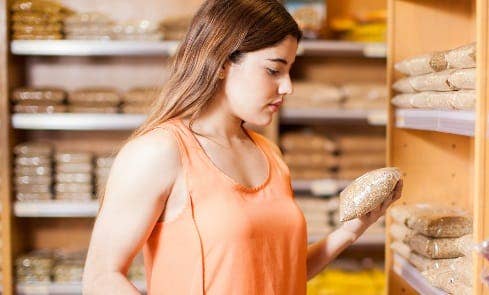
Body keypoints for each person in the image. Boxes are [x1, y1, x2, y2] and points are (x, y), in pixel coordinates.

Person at [82, 0, 402, 294]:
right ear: (222, 62)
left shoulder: (270, 154)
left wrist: (349, 232)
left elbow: (281, 274)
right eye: (274, 70)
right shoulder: (159, 152)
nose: (287, 86)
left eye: (289, 71)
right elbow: (101, 278)